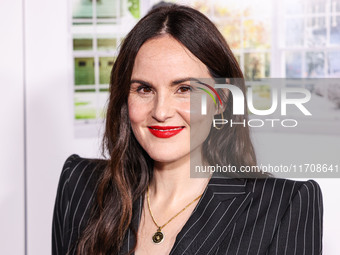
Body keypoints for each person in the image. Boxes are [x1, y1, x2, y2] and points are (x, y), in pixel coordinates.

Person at [52, 4, 323, 255]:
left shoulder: (285, 206)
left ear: (222, 100)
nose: (160, 112)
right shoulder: (79, 185)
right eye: (144, 89)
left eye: (184, 89)